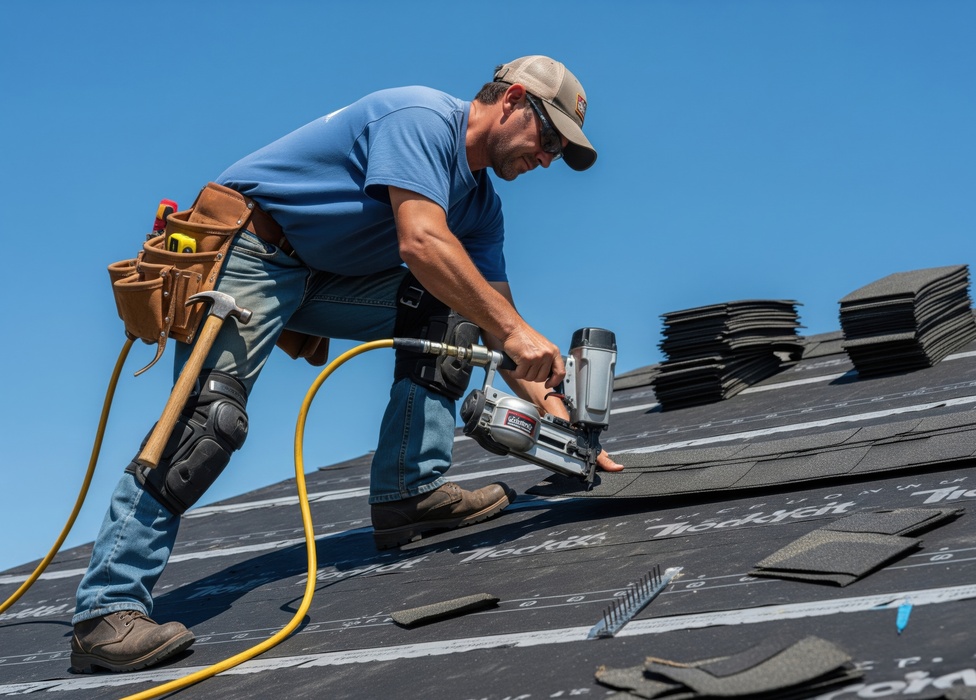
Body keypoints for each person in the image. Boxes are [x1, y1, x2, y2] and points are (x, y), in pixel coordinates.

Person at [69, 55, 623, 674]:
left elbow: (501, 326)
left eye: (557, 153)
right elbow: (420, 241)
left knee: (458, 316)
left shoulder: (481, 208)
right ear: (513, 99)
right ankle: (105, 609)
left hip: (318, 278)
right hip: (252, 250)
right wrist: (515, 331)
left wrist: (563, 424)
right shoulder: (419, 118)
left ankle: (409, 493)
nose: (546, 158)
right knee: (207, 422)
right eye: (548, 138)